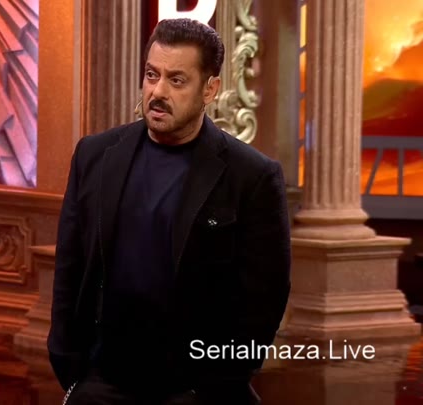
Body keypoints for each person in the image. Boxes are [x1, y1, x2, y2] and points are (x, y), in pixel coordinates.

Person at [48, 18, 291, 405]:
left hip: (195, 390)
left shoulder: (252, 176)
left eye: (177, 80)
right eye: (152, 75)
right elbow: (70, 267)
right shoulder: (95, 156)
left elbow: (264, 300)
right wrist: (71, 368)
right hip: (102, 382)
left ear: (210, 89)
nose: (158, 91)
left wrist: (220, 382)